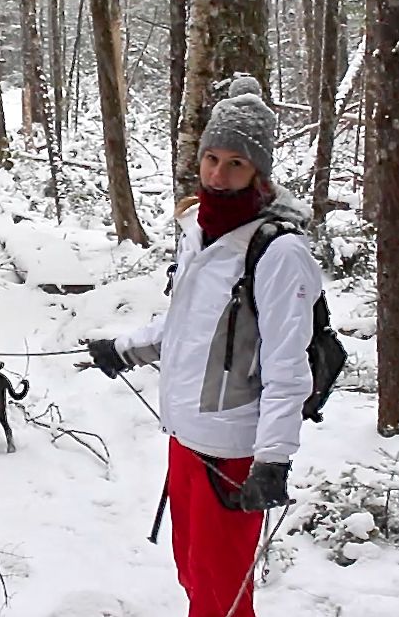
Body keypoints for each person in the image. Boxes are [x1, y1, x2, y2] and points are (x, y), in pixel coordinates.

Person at [85, 76, 321, 617]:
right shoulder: (198, 227)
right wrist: (124, 349)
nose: (218, 173)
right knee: (192, 573)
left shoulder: (278, 252)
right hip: (184, 437)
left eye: (235, 163)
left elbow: (288, 370)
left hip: (234, 452)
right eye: (211, 158)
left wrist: (273, 459)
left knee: (222, 593)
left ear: (258, 172)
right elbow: (186, 324)